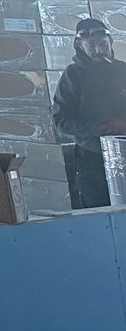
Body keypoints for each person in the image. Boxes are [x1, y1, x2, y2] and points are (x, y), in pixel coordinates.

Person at [53, 17, 126, 207]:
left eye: (103, 44)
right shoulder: (73, 76)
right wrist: (99, 128)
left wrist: (121, 124)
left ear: (110, 41)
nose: (99, 50)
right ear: (79, 45)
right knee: (101, 209)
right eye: (92, 46)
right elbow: (62, 120)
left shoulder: (123, 71)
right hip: (94, 157)